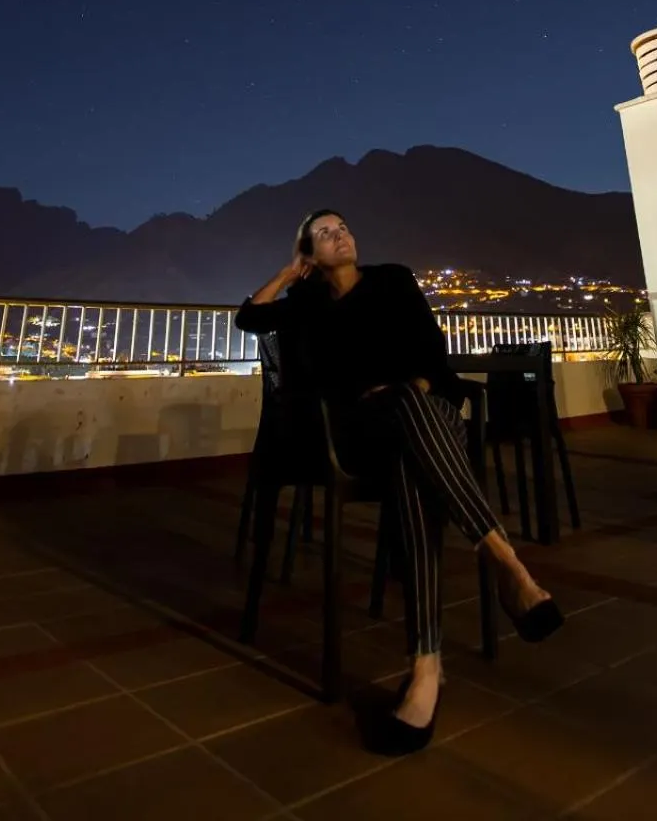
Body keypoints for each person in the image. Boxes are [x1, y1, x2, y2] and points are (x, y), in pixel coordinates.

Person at [235, 209, 563, 756]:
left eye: (342, 227)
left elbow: (432, 352)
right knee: (413, 430)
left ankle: (426, 668)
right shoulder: (308, 305)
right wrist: (290, 277)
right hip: (358, 434)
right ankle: (505, 562)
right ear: (308, 253)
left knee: (414, 424)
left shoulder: (394, 279)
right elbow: (249, 319)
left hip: (419, 417)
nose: (338, 235)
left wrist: (417, 383)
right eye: (323, 233)